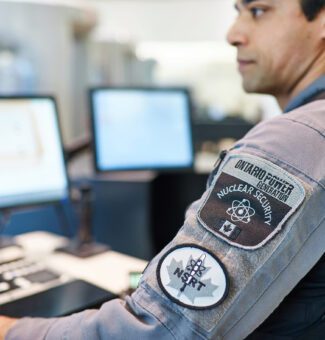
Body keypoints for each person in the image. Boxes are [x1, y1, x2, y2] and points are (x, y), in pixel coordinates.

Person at [1, 0, 325, 338]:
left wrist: (11, 331)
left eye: (258, 11)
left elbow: (161, 330)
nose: (233, 34)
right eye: (236, 12)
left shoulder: (295, 142)